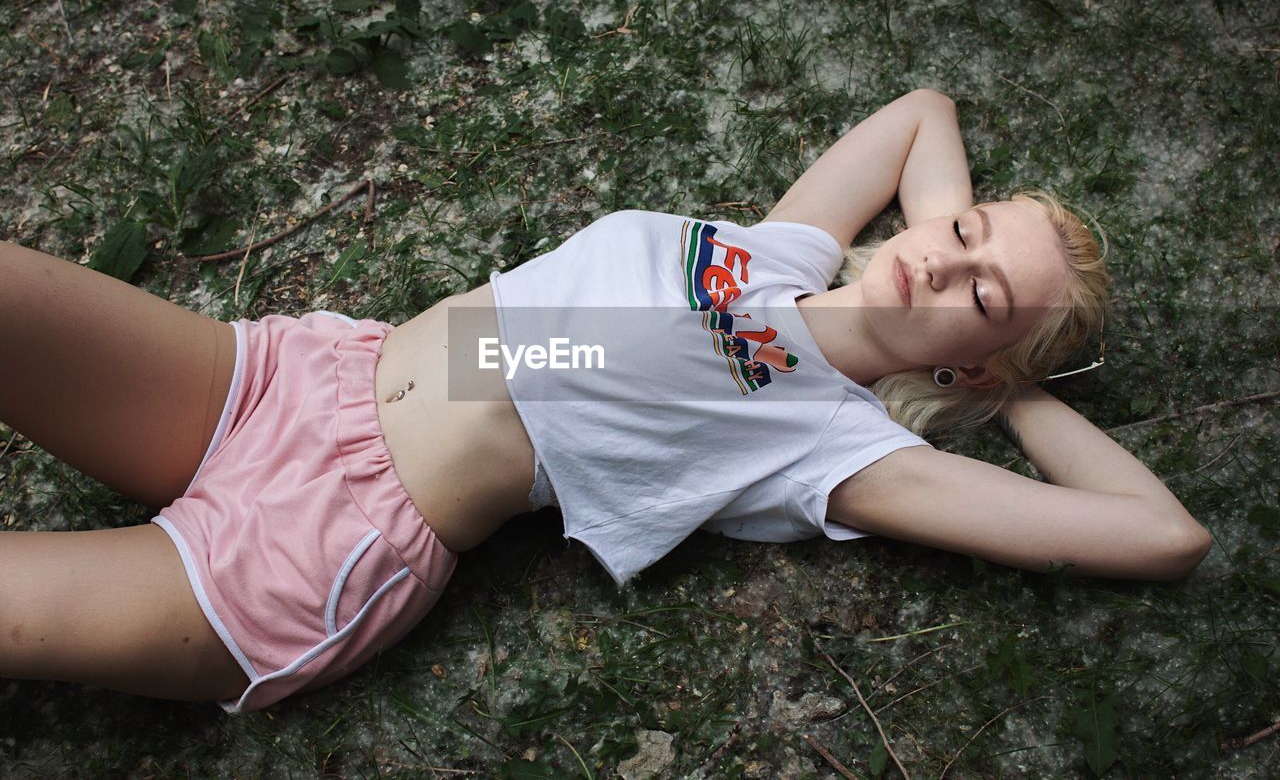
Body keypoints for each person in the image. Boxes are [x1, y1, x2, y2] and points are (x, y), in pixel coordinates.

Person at [0, 89, 1210, 713]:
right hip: (280, 380)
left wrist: (1006, 396)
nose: (940, 256)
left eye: (979, 292)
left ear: (974, 365)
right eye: (962, 225)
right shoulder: (783, 250)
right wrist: (950, 242)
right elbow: (921, 114)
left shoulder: (839, 451)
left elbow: (1161, 536)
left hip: (309, 548)